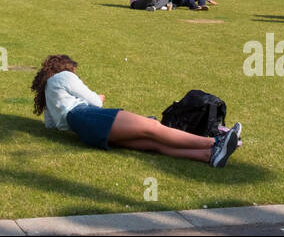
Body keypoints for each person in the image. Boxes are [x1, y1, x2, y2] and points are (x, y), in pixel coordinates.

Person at [30, 55, 241, 167]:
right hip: (87, 116)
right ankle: (214, 143)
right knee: (152, 128)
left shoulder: (48, 91)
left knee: (153, 144)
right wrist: (99, 97)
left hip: (84, 132)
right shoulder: (63, 77)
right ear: (65, 66)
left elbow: (51, 124)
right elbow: (94, 102)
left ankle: (208, 157)